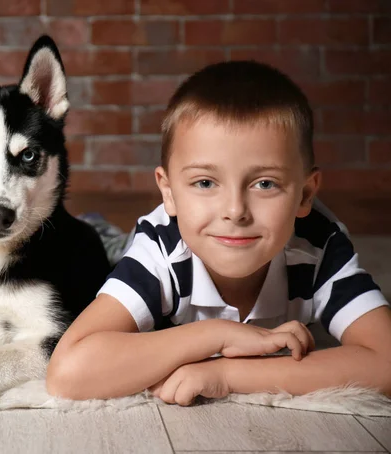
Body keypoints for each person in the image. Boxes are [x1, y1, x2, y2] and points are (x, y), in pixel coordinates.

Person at [47, 60, 391, 405]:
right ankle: (98, 226)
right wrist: (218, 335)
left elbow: (386, 362)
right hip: (133, 244)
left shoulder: (320, 245)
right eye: (205, 182)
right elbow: (67, 373)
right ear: (168, 191)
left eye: (265, 183)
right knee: (102, 248)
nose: (235, 211)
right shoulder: (160, 250)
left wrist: (226, 373)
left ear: (304, 194)